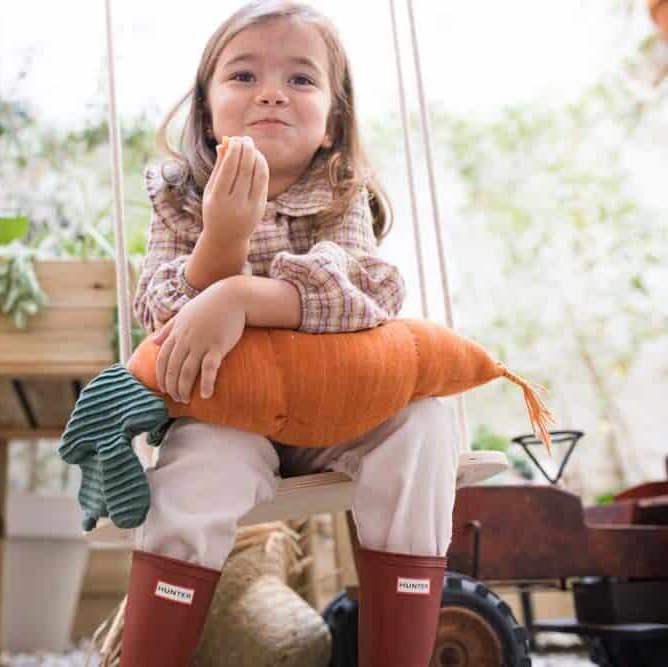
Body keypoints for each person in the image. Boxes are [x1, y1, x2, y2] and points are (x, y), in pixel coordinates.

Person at [124, 2, 459, 665]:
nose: (272, 91)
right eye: (243, 75)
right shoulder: (179, 197)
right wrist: (222, 239)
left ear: (333, 121)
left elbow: (361, 293)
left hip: (340, 412)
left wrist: (242, 297)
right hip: (228, 417)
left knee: (422, 423)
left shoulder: (340, 193)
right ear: (206, 110)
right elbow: (162, 316)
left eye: (301, 79)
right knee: (190, 479)